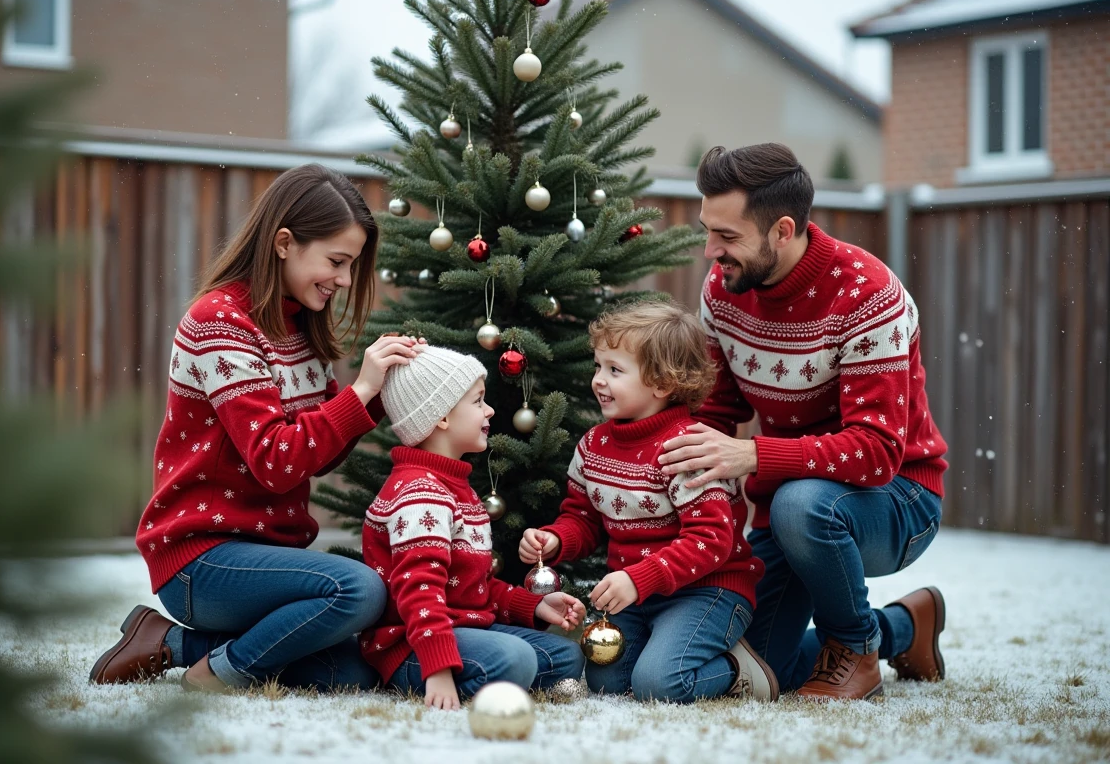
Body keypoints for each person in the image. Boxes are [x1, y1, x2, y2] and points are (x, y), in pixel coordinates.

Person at [90, 164, 420, 692]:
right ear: (284, 242)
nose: (344, 280)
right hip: (203, 559)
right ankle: (217, 674)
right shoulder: (220, 322)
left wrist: (379, 396)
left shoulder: (296, 323)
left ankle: (170, 644)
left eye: (352, 265)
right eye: (336, 261)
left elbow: (317, 452)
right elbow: (277, 461)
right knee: (358, 592)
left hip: (269, 560)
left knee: (352, 669)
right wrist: (359, 392)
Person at [659, 143, 948, 700]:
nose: (708, 250)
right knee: (759, 668)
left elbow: (876, 452)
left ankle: (856, 650)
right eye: (707, 230)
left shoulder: (867, 294)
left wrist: (753, 457)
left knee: (802, 504)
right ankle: (905, 628)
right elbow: (717, 412)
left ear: (782, 230)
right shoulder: (724, 288)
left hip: (898, 499)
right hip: (790, 501)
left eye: (727, 236)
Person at [519, 301, 778, 703]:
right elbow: (583, 517)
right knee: (608, 682)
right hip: (637, 596)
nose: (598, 381)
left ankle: (735, 670)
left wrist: (638, 580)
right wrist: (555, 540)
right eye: (598, 366)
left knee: (658, 684)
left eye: (615, 370)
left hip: (707, 591)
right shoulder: (594, 445)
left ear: (662, 383)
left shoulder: (685, 450)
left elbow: (711, 541)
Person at [362, 345, 586, 710]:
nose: (490, 410)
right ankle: (458, 673)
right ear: (442, 418)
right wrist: (436, 670)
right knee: (516, 659)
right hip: (413, 645)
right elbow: (418, 590)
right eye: (478, 401)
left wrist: (535, 606)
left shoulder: (456, 486)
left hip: (467, 631)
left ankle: (493, 671)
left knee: (566, 657)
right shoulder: (422, 492)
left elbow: (473, 587)